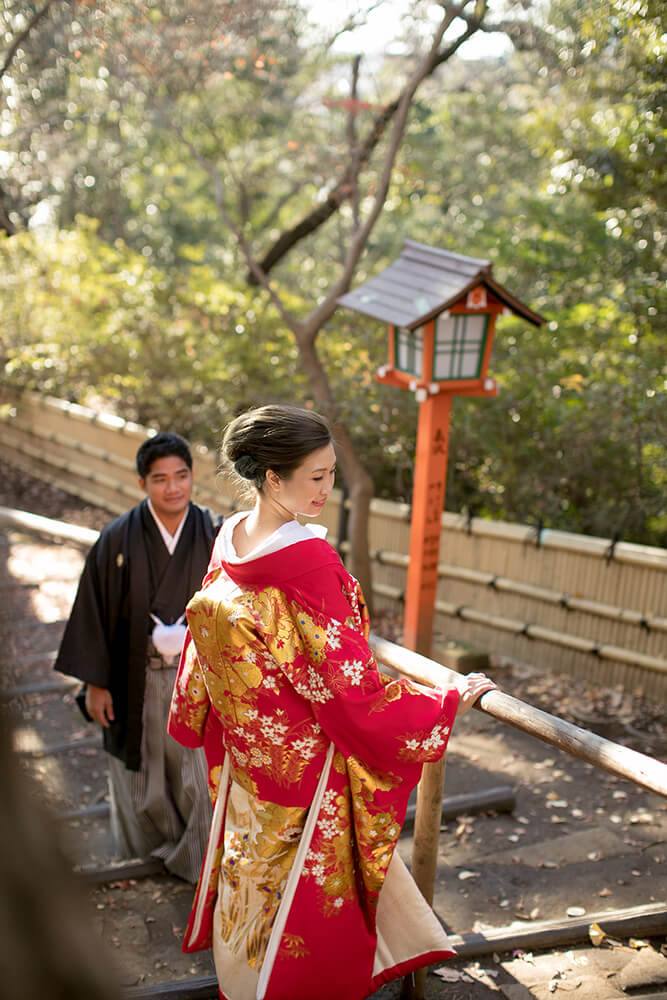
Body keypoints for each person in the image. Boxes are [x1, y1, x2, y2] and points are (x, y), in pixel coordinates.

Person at [168, 405, 496, 1000]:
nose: (328, 488)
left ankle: (246, 987)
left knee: (255, 896)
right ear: (273, 476)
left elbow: (207, 649)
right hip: (306, 776)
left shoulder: (233, 537)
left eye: (330, 473)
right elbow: (349, 693)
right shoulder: (309, 564)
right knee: (304, 912)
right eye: (316, 476)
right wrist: (443, 704)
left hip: (251, 764)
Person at [55, 431, 221, 883]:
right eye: (160, 479)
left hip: (198, 678)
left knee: (197, 771)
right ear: (143, 483)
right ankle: (144, 861)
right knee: (142, 768)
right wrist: (95, 682)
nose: (173, 488)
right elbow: (94, 609)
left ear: (192, 477)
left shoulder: (215, 532)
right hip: (136, 676)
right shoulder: (117, 538)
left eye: (181, 476)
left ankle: (199, 861)